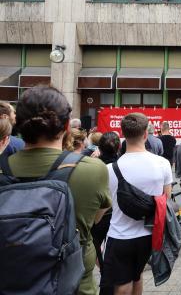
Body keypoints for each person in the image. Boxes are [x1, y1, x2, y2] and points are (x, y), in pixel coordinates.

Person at [6, 86, 111, 295]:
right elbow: (97, 219)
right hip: (73, 284)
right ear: (66, 125)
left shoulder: (3, 167)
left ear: (17, 123)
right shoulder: (93, 170)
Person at [101, 113, 172, 295]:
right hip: (149, 235)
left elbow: (106, 203)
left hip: (120, 235)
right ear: (145, 134)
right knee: (137, 276)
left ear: (122, 134)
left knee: (122, 282)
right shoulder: (162, 164)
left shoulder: (110, 169)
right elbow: (165, 199)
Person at [92, 132, 121, 286]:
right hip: (118, 214)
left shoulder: (94, 167)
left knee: (95, 244)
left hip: (98, 215)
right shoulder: (122, 166)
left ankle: (104, 270)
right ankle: (111, 272)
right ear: (118, 148)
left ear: (99, 148)